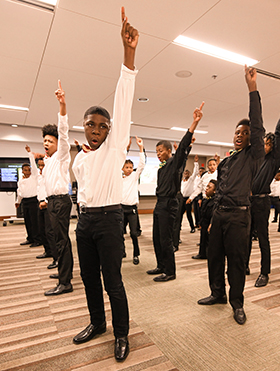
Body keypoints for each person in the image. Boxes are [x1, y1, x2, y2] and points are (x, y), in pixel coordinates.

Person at [71, 8, 138, 362]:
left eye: (102, 126)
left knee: (112, 280)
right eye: (91, 125)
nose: (96, 130)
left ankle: (122, 333)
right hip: (84, 223)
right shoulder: (80, 158)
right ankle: (97, 323)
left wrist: (128, 54)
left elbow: (123, 100)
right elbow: (82, 191)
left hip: (111, 221)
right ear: (84, 127)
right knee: (88, 278)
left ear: (110, 130)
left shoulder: (114, 148)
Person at [197, 66, 265, 326]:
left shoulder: (252, 157)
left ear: (251, 140)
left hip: (239, 217)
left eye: (245, 134)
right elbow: (220, 192)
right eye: (237, 132)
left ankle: (237, 302)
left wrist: (252, 89)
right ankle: (217, 293)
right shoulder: (226, 163)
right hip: (220, 215)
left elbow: (257, 125)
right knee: (214, 257)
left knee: (236, 262)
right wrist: (214, 217)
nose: (240, 136)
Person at [146, 101, 205, 282]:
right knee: (156, 238)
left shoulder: (174, 162)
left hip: (170, 204)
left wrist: (193, 124)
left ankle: (170, 272)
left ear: (169, 151)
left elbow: (183, 148)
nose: (158, 153)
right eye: (156, 151)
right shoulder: (161, 168)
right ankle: (161, 265)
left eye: (161, 150)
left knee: (166, 239)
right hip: (159, 204)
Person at [246, 87, 280, 287]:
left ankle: (265, 272)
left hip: (262, 202)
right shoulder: (256, 159)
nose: (263, 145)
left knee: (263, 237)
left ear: (272, 146)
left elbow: (279, 133)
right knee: (246, 236)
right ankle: (244, 265)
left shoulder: (273, 160)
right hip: (247, 201)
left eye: (267, 143)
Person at [42, 82, 74, 296]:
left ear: (57, 143)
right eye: (44, 140)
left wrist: (62, 106)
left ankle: (65, 283)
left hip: (61, 201)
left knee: (61, 241)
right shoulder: (49, 160)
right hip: (53, 201)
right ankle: (64, 273)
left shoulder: (62, 154)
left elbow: (63, 132)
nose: (46, 143)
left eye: (49, 140)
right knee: (57, 239)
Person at [121, 136, 146, 265]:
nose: (129, 169)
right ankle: (122, 251)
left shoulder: (134, 177)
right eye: (127, 167)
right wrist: (126, 148)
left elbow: (142, 164)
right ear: (122, 168)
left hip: (132, 210)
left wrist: (140, 148)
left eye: (131, 167)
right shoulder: (119, 178)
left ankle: (136, 254)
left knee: (133, 234)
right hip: (121, 209)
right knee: (120, 233)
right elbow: (118, 160)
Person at [15, 145, 41, 248]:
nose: (28, 172)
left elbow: (34, 166)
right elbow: (19, 192)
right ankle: (30, 238)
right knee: (27, 221)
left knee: (35, 221)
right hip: (25, 202)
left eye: (29, 170)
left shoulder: (34, 177)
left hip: (33, 201)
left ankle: (37, 240)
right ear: (22, 171)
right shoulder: (20, 181)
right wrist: (18, 201)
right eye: (25, 170)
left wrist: (30, 153)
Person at [35, 157, 59, 270]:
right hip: (40, 204)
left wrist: (46, 201)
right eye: (39, 165)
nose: (41, 167)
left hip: (48, 204)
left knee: (51, 232)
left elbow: (53, 190)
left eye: (43, 165)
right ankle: (48, 251)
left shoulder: (50, 175)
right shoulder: (40, 176)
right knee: (42, 230)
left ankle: (57, 258)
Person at [192, 179, 217, 259]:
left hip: (209, 223)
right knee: (203, 238)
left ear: (215, 191)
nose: (206, 188)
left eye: (209, 187)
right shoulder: (206, 199)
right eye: (207, 186)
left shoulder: (215, 202)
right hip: (204, 223)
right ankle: (202, 253)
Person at [180, 155, 199, 233]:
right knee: (180, 214)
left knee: (188, 214)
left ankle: (192, 227)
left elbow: (195, 172)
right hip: (182, 199)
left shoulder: (191, 180)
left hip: (188, 199)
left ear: (190, 175)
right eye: (185, 173)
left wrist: (196, 163)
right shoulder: (182, 181)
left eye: (187, 173)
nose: (186, 174)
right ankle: (179, 226)